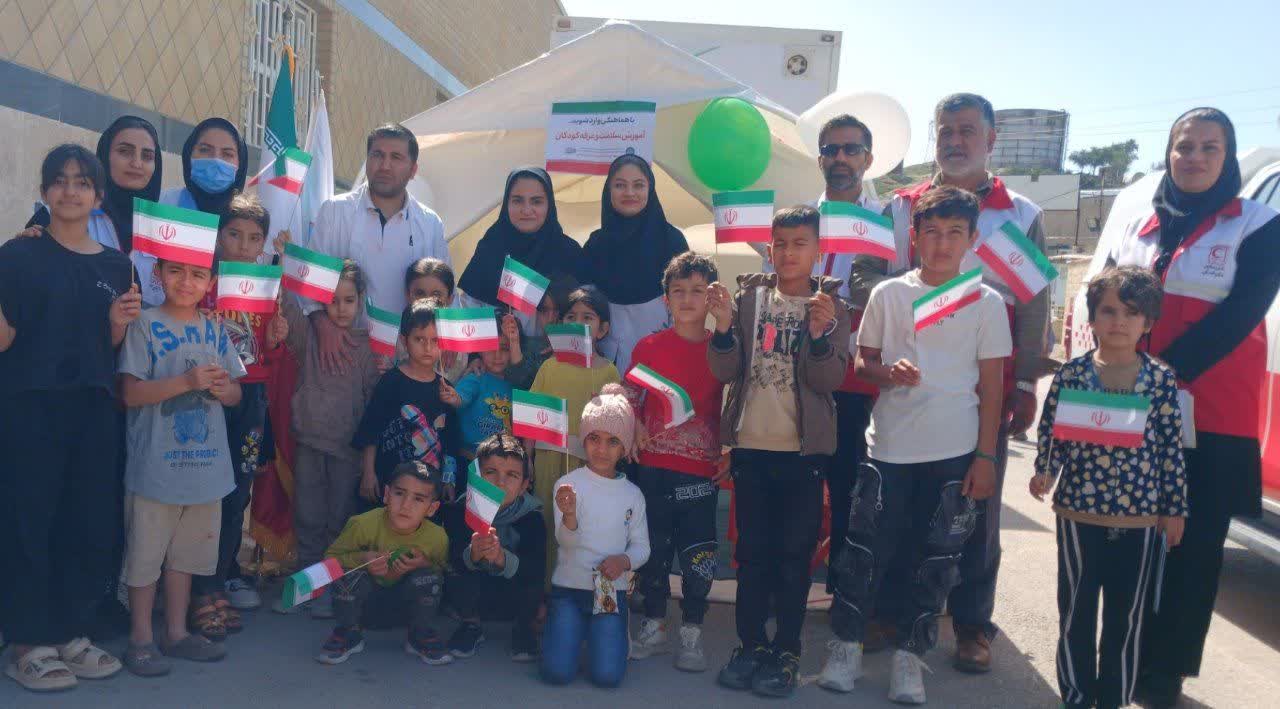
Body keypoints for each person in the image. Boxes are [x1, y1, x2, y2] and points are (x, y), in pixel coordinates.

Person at [850, 93, 1052, 671]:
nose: (955, 141)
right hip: (907, 386)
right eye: (946, 131)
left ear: (990, 140)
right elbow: (864, 272)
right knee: (898, 511)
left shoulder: (1021, 214)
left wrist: (1026, 383)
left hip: (983, 388)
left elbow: (1035, 303)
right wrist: (910, 298)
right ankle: (890, 614)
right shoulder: (900, 206)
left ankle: (971, 625)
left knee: (975, 511)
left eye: (967, 131)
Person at [1107, 108, 1280, 708]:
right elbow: (1108, 300)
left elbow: (1241, 314)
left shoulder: (1260, 223)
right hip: (1130, 406)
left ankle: (1165, 674)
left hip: (1211, 417)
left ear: (1227, 157)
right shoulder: (1141, 223)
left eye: (1210, 147)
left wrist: (1158, 373)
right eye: (1185, 146)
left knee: (1194, 548)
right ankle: (1122, 656)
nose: (1195, 158)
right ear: (1169, 152)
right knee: (1126, 537)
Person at [820, 186, 1009, 704]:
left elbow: (992, 387)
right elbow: (863, 363)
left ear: (972, 238)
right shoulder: (888, 294)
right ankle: (845, 647)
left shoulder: (987, 302)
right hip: (889, 448)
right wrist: (889, 373)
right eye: (931, 232)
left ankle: (911, 658)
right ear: (913, 236)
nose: (942, 243)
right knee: (864, 553)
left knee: (936, 561)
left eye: (954, 233)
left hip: (954, 449)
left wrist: (986, 457)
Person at [0, 144, 140, 692]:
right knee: (29, 522)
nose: (70, 190)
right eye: (59, 180)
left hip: (93, 409)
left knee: (85, 522)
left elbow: (111, 346)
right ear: (44, 192)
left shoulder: (118, 266)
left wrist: (116, 324)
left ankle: (71, 632)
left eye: (82, 182)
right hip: (30, 408)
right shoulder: (18, 255)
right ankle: (27, 642)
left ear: (98, 196)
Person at [707, 206, 849, 698]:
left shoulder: (832, 306)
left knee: (794, 558)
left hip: (802, 456)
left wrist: (820, 336)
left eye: (800, 243)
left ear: (818, 251)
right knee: (752, 555)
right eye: (781, 243)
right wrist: (722, 328)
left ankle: (786, 649)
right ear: (769, 248)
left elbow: (829, 380)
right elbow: (725, 371)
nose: (789, 252)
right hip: (751, 449)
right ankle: (750, 645)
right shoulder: (749, 299)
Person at [1030, 266, 1187, 709]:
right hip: (1079, 513)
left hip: (1140, 518)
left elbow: (1171, 449)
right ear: (1093, 318)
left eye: (1132, 313)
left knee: (1126, 618)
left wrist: (1174, 508)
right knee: (1076, 613)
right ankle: (1077, 696)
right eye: (1109, 311)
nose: (1120, 321)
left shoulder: (1160, 381)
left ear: (1148, 323)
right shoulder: (1073, 375)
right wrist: (1045, 471)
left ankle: (1114, 697)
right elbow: (1053, 434)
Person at [755, 113, 883, 595]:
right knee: (795, 485)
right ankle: (786, 585)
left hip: (853, 374)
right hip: (795, 370)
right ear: (820, 159)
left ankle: (843, 591)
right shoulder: (800, 217)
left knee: (850, 482)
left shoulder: (886, 220)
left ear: (868, 158)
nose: (840, 158)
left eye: (851, 149)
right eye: (831, 150)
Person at [118, 253, 249, 676]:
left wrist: (223, 389)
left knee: (186, 559)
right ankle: (141, 638)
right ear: (158, 275)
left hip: (206, 472)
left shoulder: (215, 327)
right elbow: (129, 394)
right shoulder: (143, 323)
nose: (186, 281)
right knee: (144, 558)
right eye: (175, 271)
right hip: (155, 472)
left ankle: (175, 633)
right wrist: (187, 382)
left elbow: (237, 394)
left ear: (210, 281)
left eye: (197, 274)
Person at [189, 195, 288, 636]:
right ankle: (194, 583)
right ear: (218, 236)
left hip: (252, 398)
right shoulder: (203, 281)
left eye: (253, 238)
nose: (244, 246)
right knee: (202, 489)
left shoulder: (268, 286)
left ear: (263, 243)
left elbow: (269, 355)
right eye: (234, 234)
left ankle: (223, 575)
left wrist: (278, 339)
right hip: (208, 393)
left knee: (237, 491)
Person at [625, 252, 724, 672]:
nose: (687, 299)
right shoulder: (648, 347)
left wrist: (732, 451)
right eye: (678, 291)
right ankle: (654, 624)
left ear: (712, 298)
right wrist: (633, 424)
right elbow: (629, 398)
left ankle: (692, 632)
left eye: (697, 291)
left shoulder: (723, 351)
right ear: (665, 299)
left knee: (698, 557)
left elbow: (736, 406)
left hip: (701, 474)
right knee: (654, 552)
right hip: (652, 469)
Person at [272, 258, 380, 617]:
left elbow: (373, 400)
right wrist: (282, 264)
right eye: (333, 301)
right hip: (309, 442)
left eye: (349, 300)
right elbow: (288, 309)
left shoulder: (367, 348)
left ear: (361, 301)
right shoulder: (310, 337)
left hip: (347, 450)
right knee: (308, 515)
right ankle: (306, 584)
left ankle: (333, 586)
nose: (341, 308)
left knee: (339, 518)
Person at [303, 123, 449, 374]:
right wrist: (322, 325)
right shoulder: (334, 211)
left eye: (396, 157)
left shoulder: (430, 224)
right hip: (343, 355)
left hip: (407, 363)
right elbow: (311, 285)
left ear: (413, 169)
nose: (385, 165)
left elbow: (444, 295)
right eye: (377, 155)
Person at [541, 384, 650, 687]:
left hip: (608, 592)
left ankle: (611, 631)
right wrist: (570, 515)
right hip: (569, 590)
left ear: (625, 447)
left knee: (607, 677)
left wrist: (624, 561)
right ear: (584, 439)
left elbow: (642, 547)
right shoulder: (567, 485)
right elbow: (565, 542)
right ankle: (572, 630)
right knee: (556, 673)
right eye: (594, 438)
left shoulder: (633, 494)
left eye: (613, 441)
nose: (602, 449)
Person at [526, 285, 622, 585]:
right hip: (548, 461)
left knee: (583, 525)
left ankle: (582, 591)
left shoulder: (608, 372)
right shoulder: (549, 367)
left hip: (588, 467)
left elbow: (617, 427)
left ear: (603, 329)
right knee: (549, 523)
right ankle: (546, 593)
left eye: (588, 317)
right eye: (571, 316)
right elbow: (531, 419)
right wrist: (527, 459)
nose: (578, 323)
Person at [315, 461, 451, 666]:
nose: (406, 505)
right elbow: (329, 561)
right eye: (399, 494)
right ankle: (349, 631)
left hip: (408, 609)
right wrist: (362, 559)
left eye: (418, 499)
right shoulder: (362, 524)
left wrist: (423, 563)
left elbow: (443, 572)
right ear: (386, 494)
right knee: (347, 576)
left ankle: (419, 634)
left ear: (432, 508)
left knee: (429, 577)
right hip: (363, 607)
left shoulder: (437, 537)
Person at [22, 116, 166, 305]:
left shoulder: (168, 229)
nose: (137, 163)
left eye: (147, 156)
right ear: (105, 156)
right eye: (125, 151)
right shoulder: (59, 213)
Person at [353, 298, 462, 515]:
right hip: (388, 485)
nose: (428, 347)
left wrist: (449, 479)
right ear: (404, 341)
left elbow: (450, 439)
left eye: (435, 340)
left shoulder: (446, 389)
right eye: (419, 339)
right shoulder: (391, 381)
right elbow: (371, 430)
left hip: (428, 491)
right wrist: (368, 473)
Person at [583, 154, 690, 373]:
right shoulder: (596, 245)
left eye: (638, 185)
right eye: (620, 185)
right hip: (603, 365)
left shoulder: (672, 241)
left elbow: (686, 305)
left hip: (660, 362)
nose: (629, 193)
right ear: (608, 191)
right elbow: (583, 307)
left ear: (650, 189)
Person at [444, 433, 546, 662]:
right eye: (491, 472)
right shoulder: (462, 510)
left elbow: (535, 568)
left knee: (534, 578)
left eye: (511, 475)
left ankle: (523, 628)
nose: (500, 482)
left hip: (513, 597)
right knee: (453, 571)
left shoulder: (532, 518)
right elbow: (453, 559)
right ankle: (470, 624)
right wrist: (473, 554)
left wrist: (502, 559)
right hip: (475, 596)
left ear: (524, 486)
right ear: (477, 476)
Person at [456, 167, 587, 335]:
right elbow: (470, 312)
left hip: (557, 350)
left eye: (536, 201)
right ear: (506, 203)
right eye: (517, 201)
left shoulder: (569, 253)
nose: (526, 210)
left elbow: (584, 313)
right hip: (497, 350)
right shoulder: (490, 249)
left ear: (549, 205)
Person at [503, 272, 579, 390]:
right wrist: (514, 343)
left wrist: (565, 349)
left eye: (558, 311)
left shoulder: (588, 350)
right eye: (544, 310)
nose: (551, 319)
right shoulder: (529, 347)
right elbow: (520, 385)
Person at [161, 117, 248, 218]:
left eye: (227, 154)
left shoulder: (249, 218)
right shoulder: (163, 203)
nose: (216, 159)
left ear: (240, 163)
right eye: (205, 150)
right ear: (189, 155)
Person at [452, 317, 513, 458]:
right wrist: (452, 397)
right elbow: (458, 399)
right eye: (491, 348)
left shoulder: (516, 385)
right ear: (480, 350)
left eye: (504, 349)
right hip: (468, 457)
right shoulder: (475, 377)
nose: (497, 355)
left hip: (502, 461)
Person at [405, 258, 467, 382]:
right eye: (420, 293)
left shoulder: (461, 344)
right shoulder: (395, 340)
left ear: (450, 299)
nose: (427, 300)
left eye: (436, 295)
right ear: (408, 295)